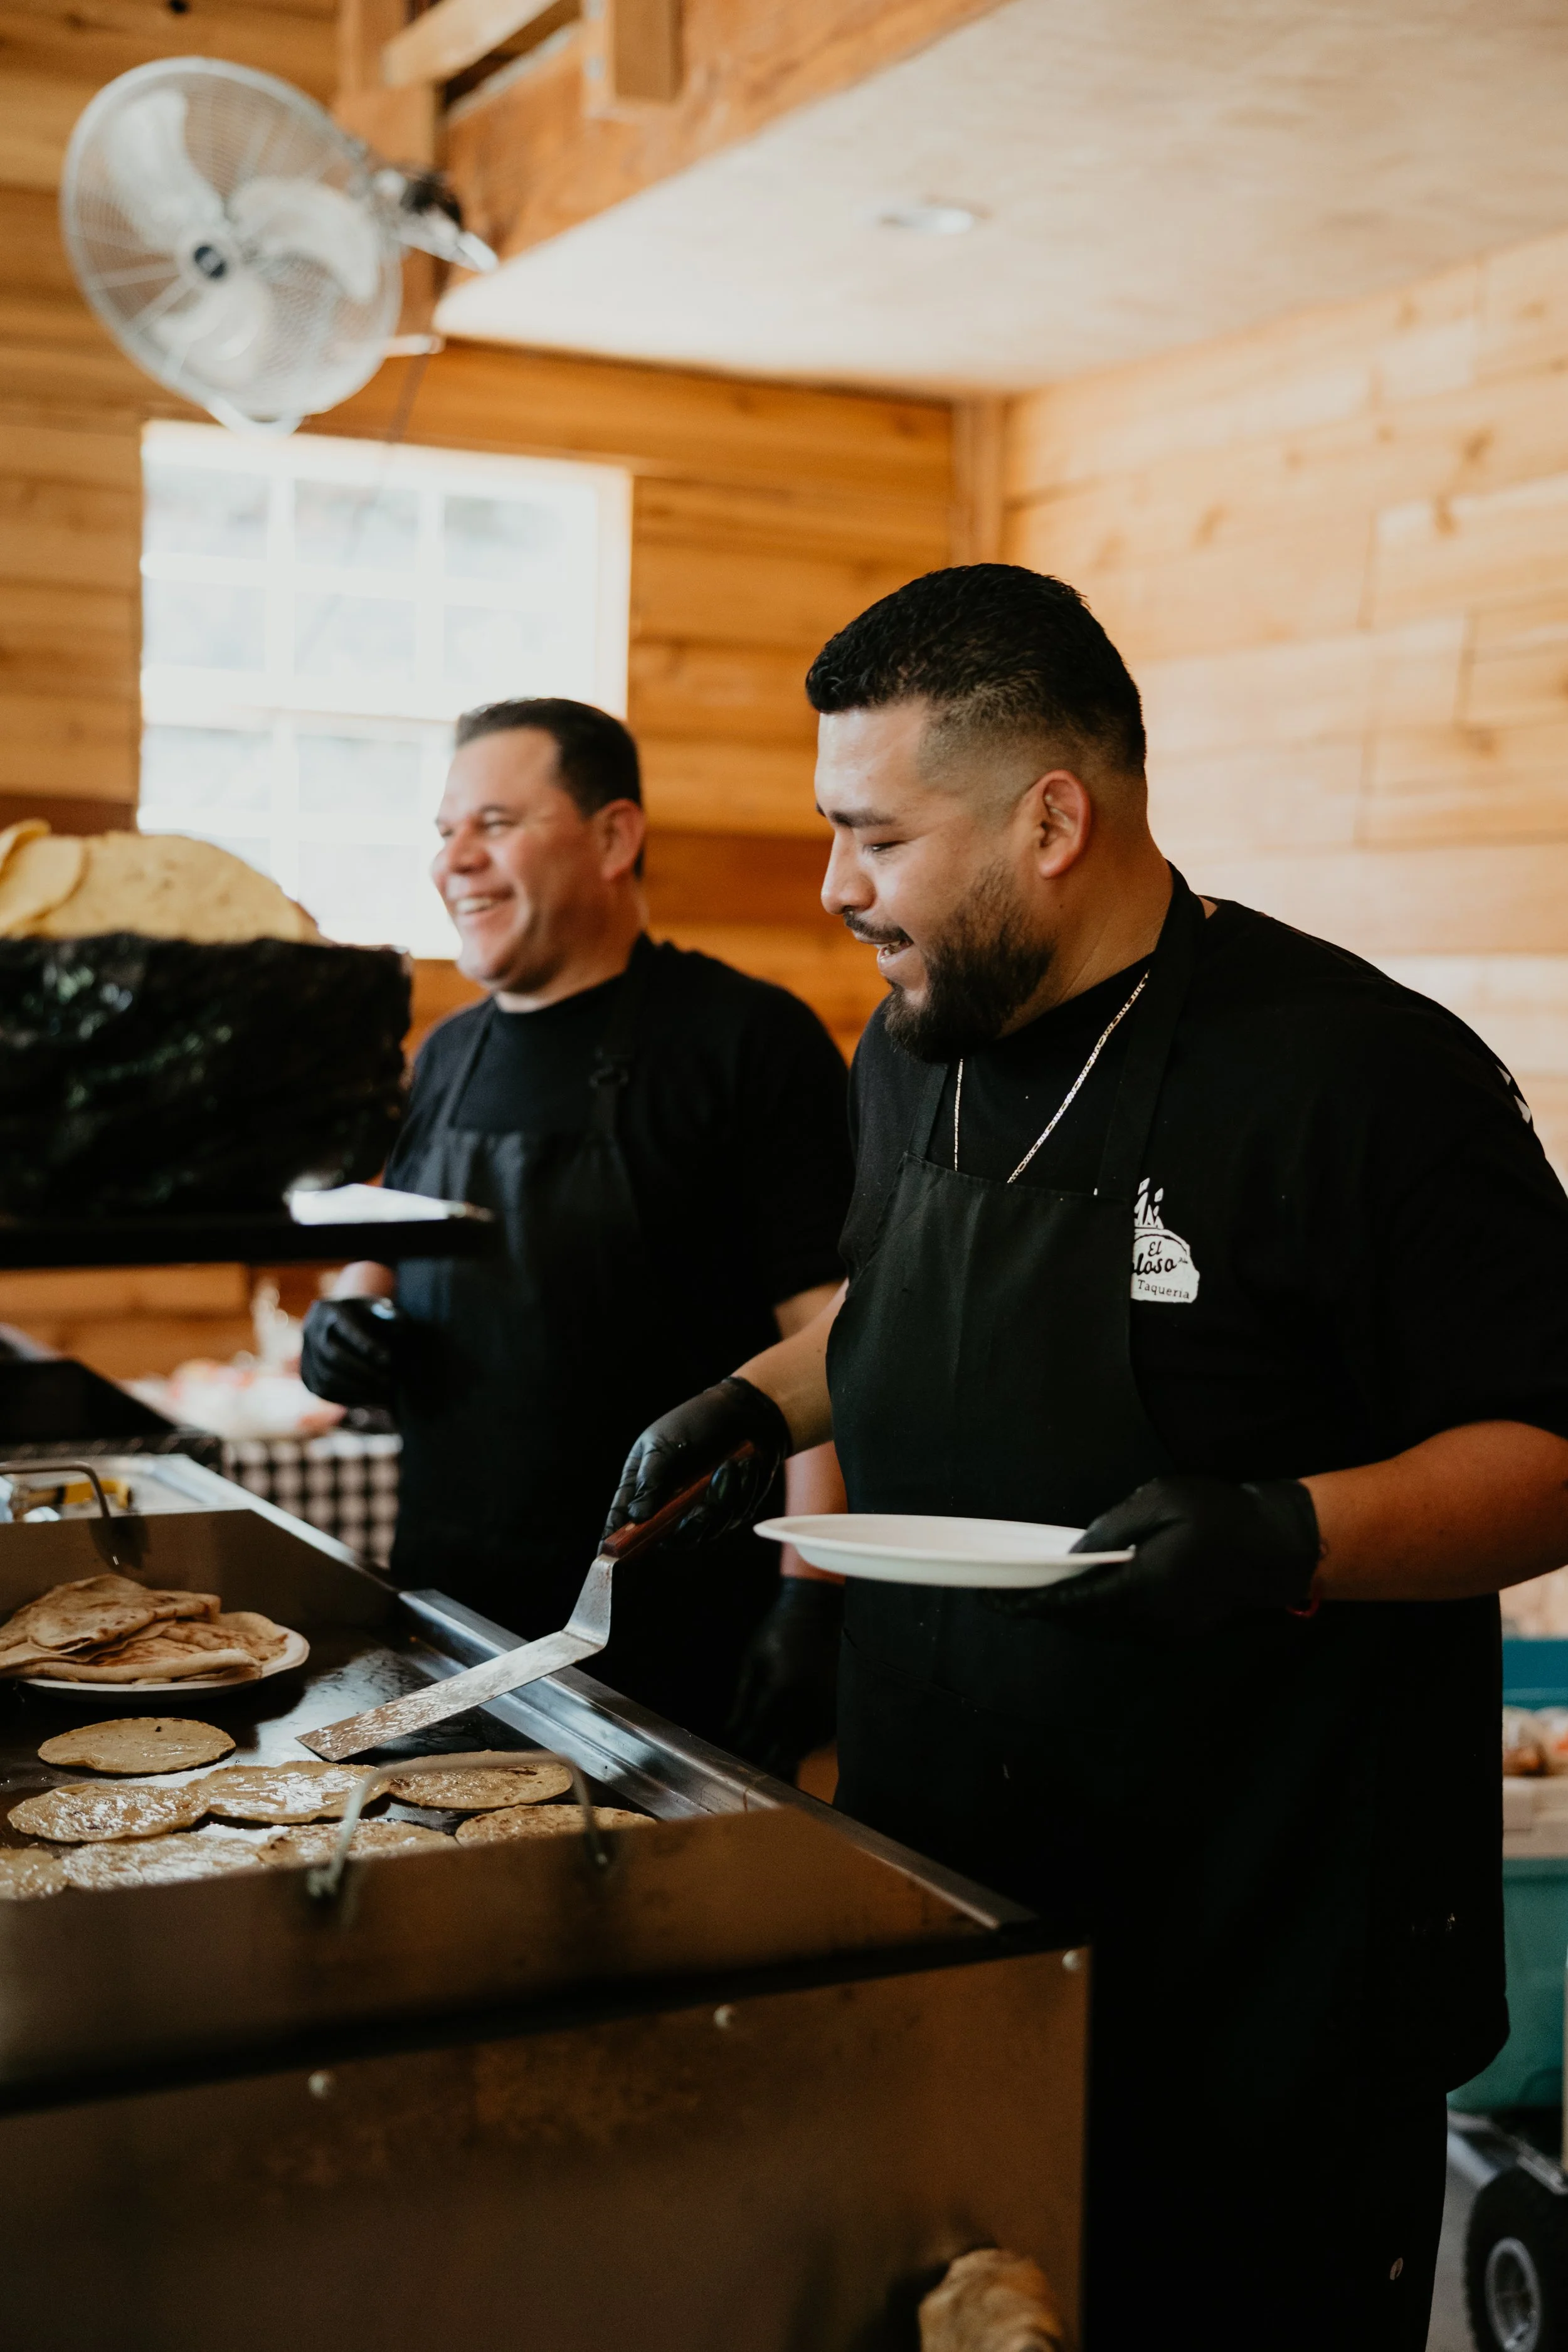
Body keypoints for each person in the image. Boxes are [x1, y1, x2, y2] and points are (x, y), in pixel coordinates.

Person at [602, 566, 1568, 2349]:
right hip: (961, 1896)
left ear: (1052, 814)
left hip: (1265, 1953)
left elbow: (1553, 1443)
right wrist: (756, 1399)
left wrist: (1291, 1530)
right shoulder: (915, 1040)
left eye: (870, 834)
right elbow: (891, 1312)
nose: (831, 888)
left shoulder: (1358, 1078)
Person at [301, 696, 851, 1766]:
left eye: (495, 824)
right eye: (444, 831)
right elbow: (372, 1263)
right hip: (447, 1624)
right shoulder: (443, 1056)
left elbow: (832, 1333)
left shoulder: (744, 1041)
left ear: (614, 837)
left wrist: (813, 1597)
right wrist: (341, 1323)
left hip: (674, 1641)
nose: (454, 860)